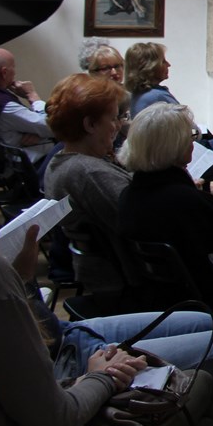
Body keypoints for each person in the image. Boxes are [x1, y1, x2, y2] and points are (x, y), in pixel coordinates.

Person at [0, 221, 213, 426]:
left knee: (205, 322)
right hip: (66, 377)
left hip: (63, 334)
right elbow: (52, 419)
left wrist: (22, 280)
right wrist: (102, 376)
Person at [118, 103, 213, 326]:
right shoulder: (190, 203)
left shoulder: (128, 196)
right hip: (209, 312)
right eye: (190, 138)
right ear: (177, 147)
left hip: (157, 306)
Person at [124, 43, 213, 231]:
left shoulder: (140, 95)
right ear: (150, 66)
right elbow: (189, 130)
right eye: (163, 61)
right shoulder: (155, 96)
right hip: (181, 152)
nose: (168, 65)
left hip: (176, 148)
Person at [41, 73, 141, 293]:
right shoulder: (89, 173)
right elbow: (143, 223)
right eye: (114, 118)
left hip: (99, 277)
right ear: (90, 124)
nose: (118, 126)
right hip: (124, 283)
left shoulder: (59, 161)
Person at [0, 46, 55, 165]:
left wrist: (39, 134)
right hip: (29, 168)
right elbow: (53, 126)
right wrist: (32, 96)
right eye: (13, 67)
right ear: (4, 72)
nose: (15, 72)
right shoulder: (4, 106)